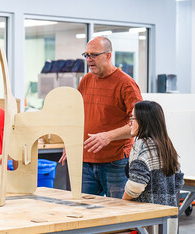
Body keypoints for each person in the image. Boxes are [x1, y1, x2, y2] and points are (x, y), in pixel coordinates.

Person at [59, 36, 142, 198]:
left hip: (115, 162)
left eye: (94, 55)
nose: (89, 60)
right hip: (85, 161)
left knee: (119, 214)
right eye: (87, 55)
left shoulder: (126, 84)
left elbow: (139, 123)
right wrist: (70, 142)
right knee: (81, 211)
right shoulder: (86, 80)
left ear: (108, 56)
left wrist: (108, 136)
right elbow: (78, 115)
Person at [123, 100, 183, 233]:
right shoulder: (167, 145)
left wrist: (122, 203)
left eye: (132, 118)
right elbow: (178, 181)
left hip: (147, 219)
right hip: (168, 218)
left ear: (144, 121)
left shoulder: (141, 146)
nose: (130, 123)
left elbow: (135, 186)